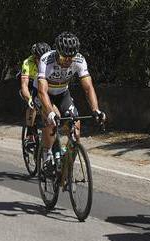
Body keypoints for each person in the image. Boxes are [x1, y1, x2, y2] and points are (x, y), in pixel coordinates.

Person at [37, 31, 106, 167]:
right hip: (45, 95)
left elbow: (88, 87)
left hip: (63, 93)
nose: (68, 61)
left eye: (71, 58)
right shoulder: (46, 60)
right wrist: (50, 112)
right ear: (57, 53)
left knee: (76, 127)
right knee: (53, 120)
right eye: (64, 58)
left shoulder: (79, 60)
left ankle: (66, 169)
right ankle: (47, 154)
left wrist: (96, 110)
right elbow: (42, 91)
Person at [20, 42, 51, 142]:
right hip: (30, 84)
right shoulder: (27, 62)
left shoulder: (50, 61)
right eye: (39, 58)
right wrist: (29, 99)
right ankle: (29, 133)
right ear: (34, 57)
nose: (41, 60)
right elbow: (24, 85)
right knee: (32, 105)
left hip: (43, 83)